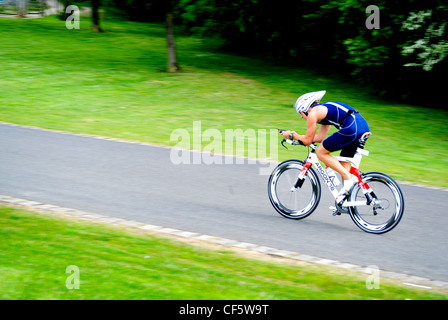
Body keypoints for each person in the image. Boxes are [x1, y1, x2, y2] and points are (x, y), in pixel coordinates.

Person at [280, 90, 370, 202]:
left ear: (306, 108)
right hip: (360, 127)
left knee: (320, 152)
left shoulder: (313, 113)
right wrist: (299, 137)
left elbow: (308, 141)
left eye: (300, 113)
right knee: (343, 167)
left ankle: (348, 178)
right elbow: (319, 138)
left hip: (352, 128)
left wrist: (292, 135)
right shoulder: (323, 113)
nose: (302, 117)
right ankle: (348, 203)